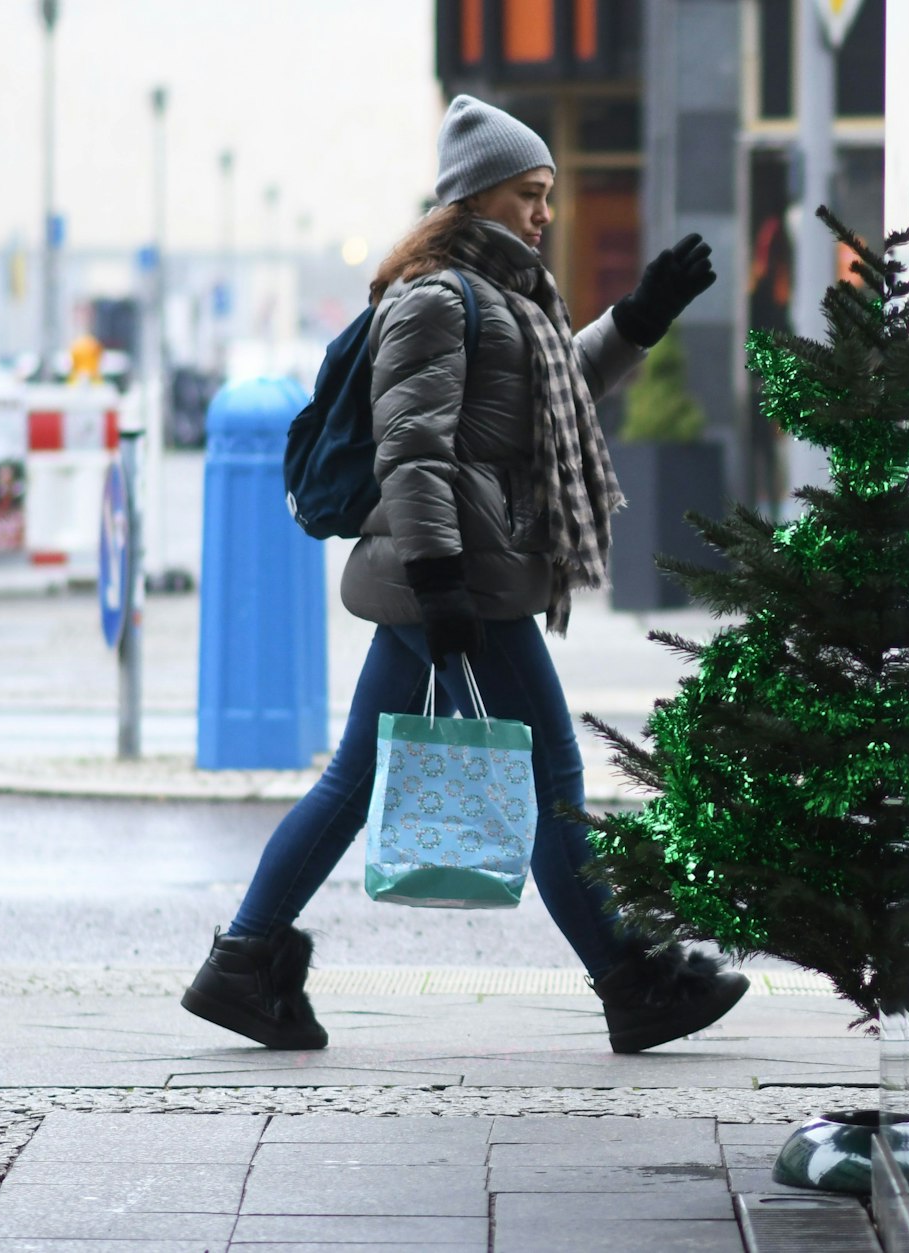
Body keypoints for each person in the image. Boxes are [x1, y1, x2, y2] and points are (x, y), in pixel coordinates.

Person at [183, 96, 746, 1054]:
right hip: (456, 574)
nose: (544, 212)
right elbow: (414, 450)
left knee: (359, 775)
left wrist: (639, 318)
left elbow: (543, 399)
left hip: (457, 570)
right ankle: (629, 979)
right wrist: (442, 580)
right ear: (478, 193)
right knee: (552, 775)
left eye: (547, 195)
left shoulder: (495, 297)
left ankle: (245, 960)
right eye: (529, 193)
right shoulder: (437, 300)